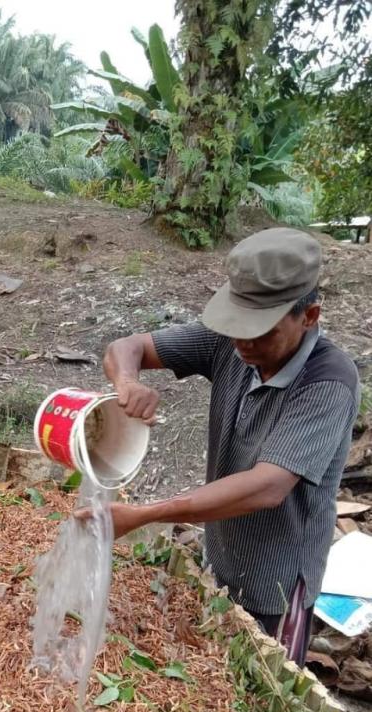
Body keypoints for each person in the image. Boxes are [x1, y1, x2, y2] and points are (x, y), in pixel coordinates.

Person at [90, 227, 359, 665]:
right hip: (223, 549)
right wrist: (127, 380)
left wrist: (142, 515)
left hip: (277, 573)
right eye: (236, 327)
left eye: (261, 331)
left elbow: (266, 487)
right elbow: (128, 346)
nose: (243, 343)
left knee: (264, 680)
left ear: (309, 316)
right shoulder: (230, 341)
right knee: (211, 655)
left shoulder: (328, 382)